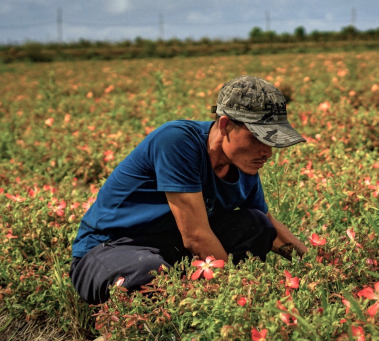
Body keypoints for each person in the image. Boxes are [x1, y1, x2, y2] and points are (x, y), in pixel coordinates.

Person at [69, 76, 309, 307]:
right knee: (151, 274)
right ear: (225, 125)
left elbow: (270, 227)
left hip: (171, 250)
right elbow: (196, 236)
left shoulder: (243, 166)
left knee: (256, 224)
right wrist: (238, 297)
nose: (268, 153)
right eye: (259, 138)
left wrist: (316, 266)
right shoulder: (177, 141)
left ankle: (187, 298)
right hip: (111, 250)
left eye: (273, 141)